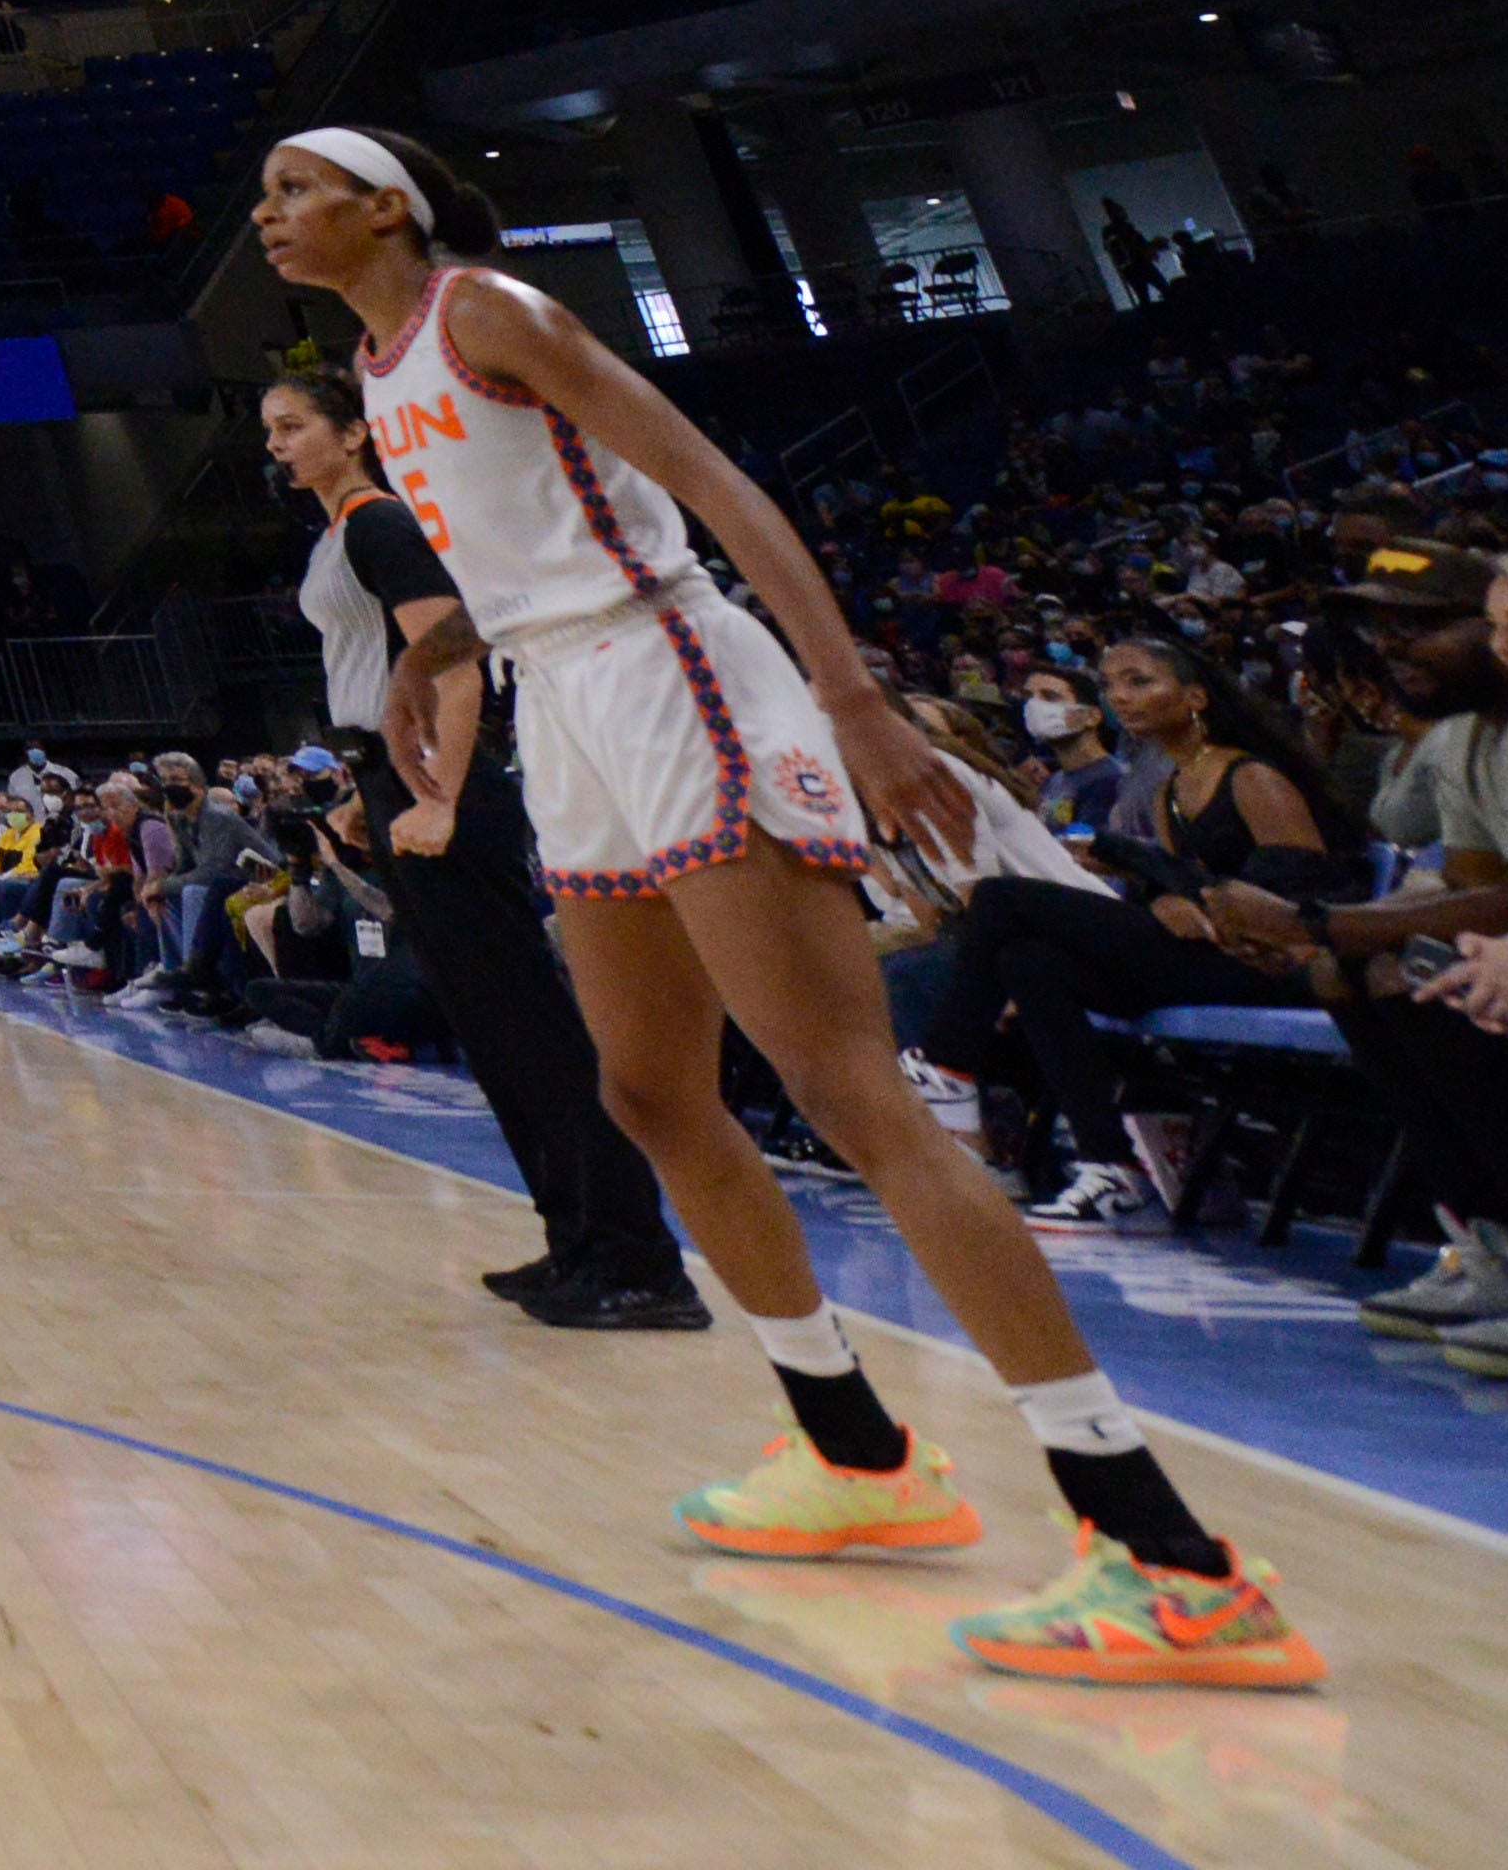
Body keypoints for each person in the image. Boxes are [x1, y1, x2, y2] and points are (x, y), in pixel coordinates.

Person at [256, 122, 1314, 1685]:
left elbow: (713, 484)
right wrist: (431, 652)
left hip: (673, 666)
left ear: (381, 205)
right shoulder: (389, 363)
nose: (266, 212)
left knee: (845, 1088)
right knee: (650, 1089)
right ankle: (854, 1452)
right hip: (568, 694)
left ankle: (1166, 1551)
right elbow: (514, 554)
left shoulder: (488, 310)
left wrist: (855, 697)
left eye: (292, 186)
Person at [264, 372, 691, 1323]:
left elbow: (453, 666)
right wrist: (365, 793)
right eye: (272, 431)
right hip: (391, 780)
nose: (279, 444)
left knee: (533, 1032)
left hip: (443, 790)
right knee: (495, 1036)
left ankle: (639, 1262)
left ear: (354, 433)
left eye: (295, 426)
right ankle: (573, 1242)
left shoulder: (379, 522)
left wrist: (443, 798)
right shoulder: (340, 533)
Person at [1175, 537, 1508, 1358]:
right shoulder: (1465, 736)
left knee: (1412, 973)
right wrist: (1318, 934)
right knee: (1360, 974)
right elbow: (1467, 886)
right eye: (1382, 632)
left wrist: (1317, 922)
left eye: (1421, 626)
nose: (1394, 648)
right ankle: (1493, 1248)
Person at [910, 625, 1347, 1224]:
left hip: (1272, 966)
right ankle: (1112, 1166)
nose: (1120, 696)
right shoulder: (1169, 786)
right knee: (1028, 962)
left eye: (1139, 681)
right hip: (1209, 954)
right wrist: (1164, 897)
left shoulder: (1252, 778)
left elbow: (1303, 904)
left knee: (1000, 899)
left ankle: (944, 1063)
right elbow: (1187, 886)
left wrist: (1154, 874)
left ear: (1195, 698)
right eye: (1112, 684)